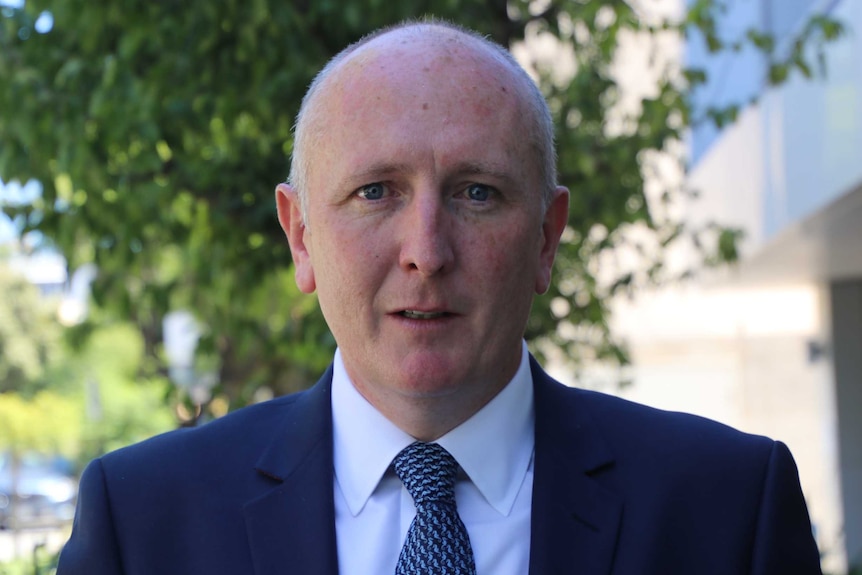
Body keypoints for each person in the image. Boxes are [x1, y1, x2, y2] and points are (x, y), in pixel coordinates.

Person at [57, 20, 821, 575]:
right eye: (376, 192)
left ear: (547, 238)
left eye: (478, 192)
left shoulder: (727, 512)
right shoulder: (144, 522)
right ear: (300, 236)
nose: (426, 250)